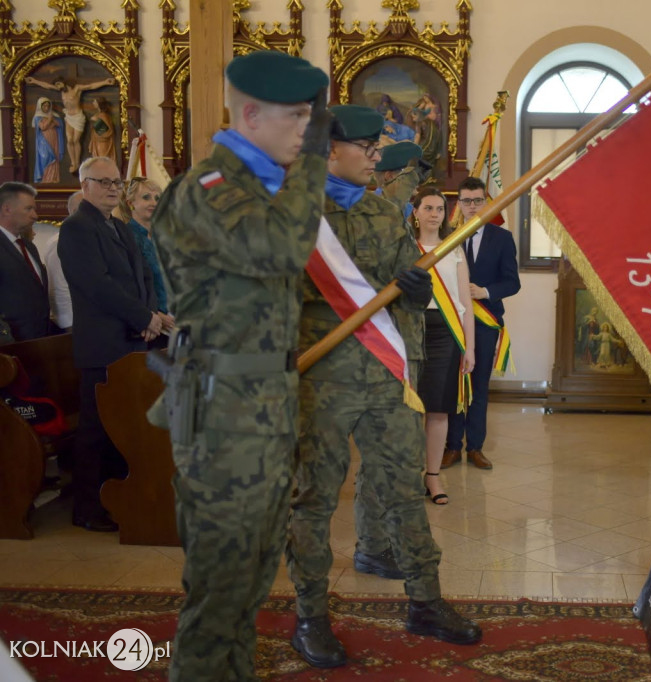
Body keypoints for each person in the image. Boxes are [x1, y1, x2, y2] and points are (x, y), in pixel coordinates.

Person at [149, 50, 333, 681]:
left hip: (262, 408)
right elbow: (280, 249)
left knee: (250, 583)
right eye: (297, 117)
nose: (307, 132)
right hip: (223, 418)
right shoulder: (209, 188)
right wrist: (314, 162)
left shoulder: (261, 190)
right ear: (250, 114)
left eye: (311, 118)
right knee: (220, 592)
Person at [286, 106, 480, 670]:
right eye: (368, 148)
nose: (376, 158)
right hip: (317, 382)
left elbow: (405, 286)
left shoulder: (379, 212)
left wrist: (415, 287)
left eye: (377, 150)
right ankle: (310, 616)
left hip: (382, 376)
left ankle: (425, 601)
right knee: (314, 500)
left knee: (401, 489)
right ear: (329, 150)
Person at [59, 156, 162, 532]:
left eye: (116, 182)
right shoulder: (76, 228)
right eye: (103, 182)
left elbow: (144, 278)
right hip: (103, 344)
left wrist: (150, 315)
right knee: (97, 429)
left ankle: (122, 496)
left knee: (125, 426)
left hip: (131, 341)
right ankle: (87, 508)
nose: (112, 188)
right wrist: (143, 317)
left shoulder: (118, 226)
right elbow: (98, 286)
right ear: (84, 185)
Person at [442, 176, 521, 470]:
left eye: (477, 201)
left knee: (478, 386)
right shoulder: (447, 236)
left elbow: (512, 283)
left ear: (486, 203)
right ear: (458, 204)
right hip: (452, 321)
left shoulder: (502, 238)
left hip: (486, 322)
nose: (472, 207)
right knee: (452, 385)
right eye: (466, 201)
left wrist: (484, 292)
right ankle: (452, 446)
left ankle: (475, 447)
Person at [415, 187, 475, 502]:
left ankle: (433, 478)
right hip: (410, 330)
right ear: (416, 212)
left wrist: (471, 347)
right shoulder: (405, 248)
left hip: (447, 332)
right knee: (407, 408)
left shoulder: (454, 250)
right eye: (428, 207)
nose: (434, 213)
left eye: (439, 208)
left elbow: (465, 302)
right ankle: (406, 474)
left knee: (439, 410)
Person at [25, 74, 116, 173]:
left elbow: (90, 86)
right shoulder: (61, 91)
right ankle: (73, 163)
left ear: (64, 82)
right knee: (69, 140)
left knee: (76, 140)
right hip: (68, 117)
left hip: (78, 117)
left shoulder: (76, 89)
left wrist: (105, 82)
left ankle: (77, 162)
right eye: (57, 85)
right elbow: (47, 86)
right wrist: (34, 81)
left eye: (59, 84)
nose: (58, 86)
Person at [0, 182, 52, 343]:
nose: (35, 216)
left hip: (38, 342)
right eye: (28, 209)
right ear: (7, 209)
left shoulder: (28, 246)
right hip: (10, 345)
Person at [123, 177, 171, 322]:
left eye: (157, 198)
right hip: (148, 322)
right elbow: (127, 286)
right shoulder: (126, 236)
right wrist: (154, 314)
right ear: (130, 203)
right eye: (146, 197)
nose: (154, 203)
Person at [42, 191, 82, 331]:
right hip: (74, 325)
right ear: (76, 211)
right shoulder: (60, 242)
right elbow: (58, 289)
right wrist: (69, 326)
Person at [373, 140, 423, 220]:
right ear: (389, 176)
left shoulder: (408, 207)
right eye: (407, 172)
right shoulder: (374, 206)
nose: (415, 178)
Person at [32, 97, 65, 184]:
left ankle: (53, 178)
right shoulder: (37, 117)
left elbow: (59, 124)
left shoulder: (54, 116)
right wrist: (50, 120)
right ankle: (45, 179)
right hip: (44, 141)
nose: (46, 108)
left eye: (48, 106)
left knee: (55, 156)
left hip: (54, 139)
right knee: (46, 157)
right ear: (40, 106)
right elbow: (43, 127)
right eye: (44, 106)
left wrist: (51, 121)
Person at [87, 97, 116, 162]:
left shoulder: (103, 116)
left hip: (102, 143)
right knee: (97, 161)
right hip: (96, 141)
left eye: (95, 102)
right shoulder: (98, 115)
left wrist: (96, 121)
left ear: (99, 104)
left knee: (102, 160)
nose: (93, 103)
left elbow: (108, 132)